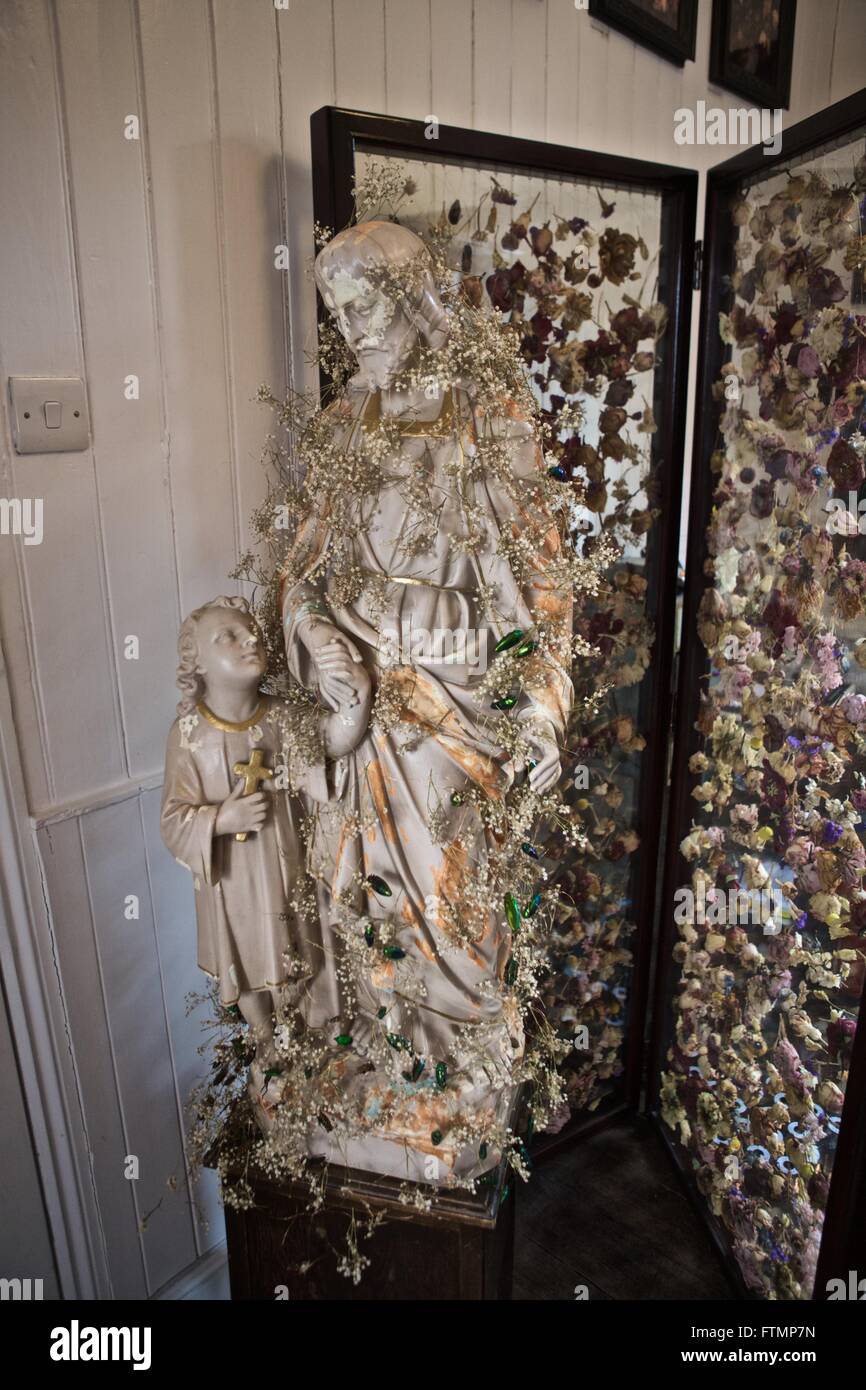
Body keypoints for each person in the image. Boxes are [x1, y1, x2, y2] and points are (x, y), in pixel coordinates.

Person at [160, 594, 370, 1125]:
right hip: (232, 881)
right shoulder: (189, 736)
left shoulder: (281, 718)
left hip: (286, 868)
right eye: (228, 636)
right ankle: (265, 1048)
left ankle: (301, 1042)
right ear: (198, 665)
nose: (251, 638)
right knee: (249, 966)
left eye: (252, 630)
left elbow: (336, 740)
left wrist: (358, 697)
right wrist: (221, 820)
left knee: (298, 950)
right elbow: (173, 819)